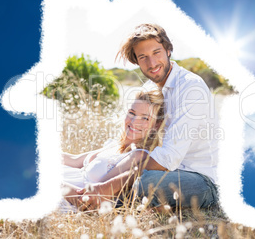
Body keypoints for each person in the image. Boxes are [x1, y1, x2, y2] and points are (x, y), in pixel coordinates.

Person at [113, 23, 220, 210]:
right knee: (132, 175)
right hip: (172, 171)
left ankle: (111, 199)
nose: (152, 63)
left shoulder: (190, 87)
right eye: (143, 57)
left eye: (156, 53)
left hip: (203, 179)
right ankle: (114, 199)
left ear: (168, 50)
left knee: (147, 182)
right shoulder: (151, 89)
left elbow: (168, 158)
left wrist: (113, 181)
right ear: (137, 62)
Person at [61, 89, 165, 210]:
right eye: (132, 113)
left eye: (145, 118)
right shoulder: (114, 145)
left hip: (65, 197)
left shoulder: (139, 155)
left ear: (156, 125)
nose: (134, 121)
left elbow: (90, 198)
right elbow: (74, 160)